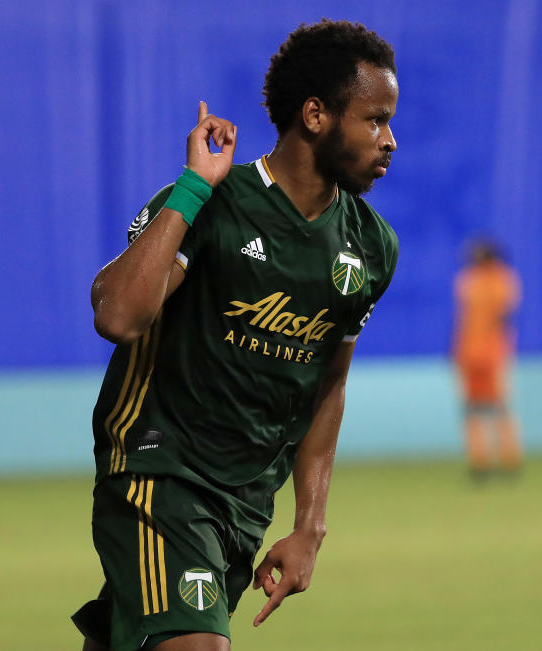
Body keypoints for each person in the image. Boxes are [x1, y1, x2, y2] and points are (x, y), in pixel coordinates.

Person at [72, 20, 399, 651]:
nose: (389, 141)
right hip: (158, 472)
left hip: (246, 500)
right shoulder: (213, 202)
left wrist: (310, 525)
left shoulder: (371, 247)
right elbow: (118, 318)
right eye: (375, 120)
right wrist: (194, 186)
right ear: (315, 115)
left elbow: (328, 387)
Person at [452, 239, 522, 478]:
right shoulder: (499, 280)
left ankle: (497, 459)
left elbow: (498, 315)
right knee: (483, 409)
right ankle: (493, 460)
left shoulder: (474, 280)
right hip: (481, 351)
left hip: (484, 351)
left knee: (489, 408)